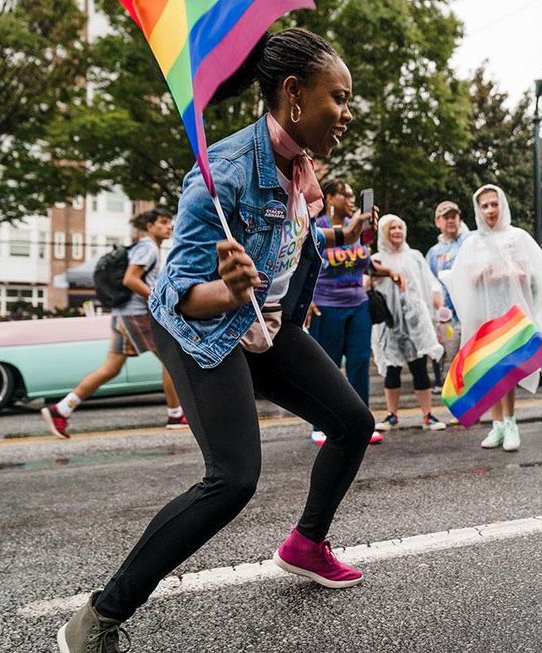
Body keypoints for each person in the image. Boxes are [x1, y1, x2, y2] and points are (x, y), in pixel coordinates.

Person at [56, 28, 378, 652]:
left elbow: (299, 248)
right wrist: (227, 293)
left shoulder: (301, 165)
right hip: (203, 330)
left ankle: (306, 544)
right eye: (338, 98)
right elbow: (179, 295)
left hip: (264, 321)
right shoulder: (220, 176)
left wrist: (289, 303)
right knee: (232, 478)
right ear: (293, 95)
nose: (346, 113)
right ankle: (97, 617)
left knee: (352, 422)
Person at [442, 185, 542, 452]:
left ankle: (510, 422)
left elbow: (527, 272)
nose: (490, 210)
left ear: (502, 205)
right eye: (484, 206)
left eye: (494, 204)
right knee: (491, 369)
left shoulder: (516, 237)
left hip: (511, 316)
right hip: (485, 316)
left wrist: (496, 271)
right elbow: (467, 277)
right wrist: (496, 271)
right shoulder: (473, 243)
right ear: (478, 209)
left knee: (507, 369)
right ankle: (496, 425)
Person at [42, 208, 188, 438]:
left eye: (169, 222)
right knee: (172, 359)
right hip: (137, 316)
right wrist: (156, 299)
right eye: (162, 222)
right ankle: (175, 414)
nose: (168, 226)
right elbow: (131, 279)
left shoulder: (146, 247)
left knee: (111, 368)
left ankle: (61, 409)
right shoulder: (148, 248)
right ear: (150, 226)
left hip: (124, 315)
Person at [305, 178, 400, 446]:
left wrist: (391, 272)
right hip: (327, 307)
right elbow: (300, 264)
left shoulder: (355, 229)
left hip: (358, 305)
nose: (351, 200)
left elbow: (366, 264)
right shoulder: (318, 228)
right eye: (345, 195)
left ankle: (361, 425)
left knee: (359, 364)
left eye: (352, 196)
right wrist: (306, 300)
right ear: (329, 198)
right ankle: (321, 425)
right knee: (327, 368)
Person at [371, 214, 448, 433]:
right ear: (384, 233)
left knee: (419, 369)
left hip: (415, 322)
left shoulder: (414, 256)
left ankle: (427, 415)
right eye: (392, 228)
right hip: (388, 324)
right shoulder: (376, 259)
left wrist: (436, 299)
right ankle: (391, 415)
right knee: (392, 370)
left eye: (399, 227)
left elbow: (430, 282)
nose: (397, 231)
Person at [425, 200, 470, 393]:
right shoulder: (434, 253)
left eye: (454, 216)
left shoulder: (470, 242)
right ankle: (459, 405)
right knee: (453, 361)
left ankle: (477, 404)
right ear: (438, 222)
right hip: (449, 318)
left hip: (471, 312)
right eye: (446, 217)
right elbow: (430, 283)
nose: (451, 220)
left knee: (473, 361)